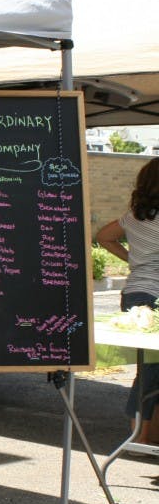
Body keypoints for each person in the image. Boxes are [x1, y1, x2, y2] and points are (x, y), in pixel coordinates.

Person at [96, 156, 159, 444]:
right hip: (153, 297)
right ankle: (140, 439)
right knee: (152, 372)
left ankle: (143, 436)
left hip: (135, 292)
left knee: (147, 369)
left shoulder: (134, 216)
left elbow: (103, 236)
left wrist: (132, 259)